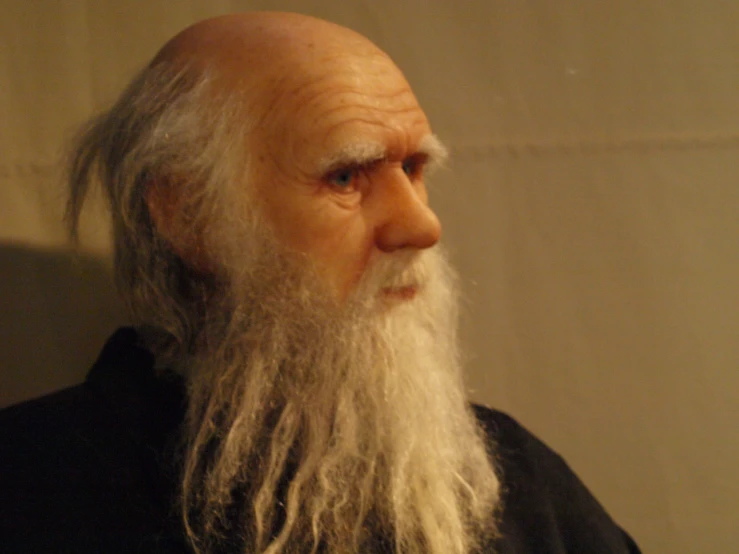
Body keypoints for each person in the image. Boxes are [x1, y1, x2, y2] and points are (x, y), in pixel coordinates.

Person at [0, 12, 641, 554]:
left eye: (414, 167)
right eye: (345, 177)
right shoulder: (31, 486)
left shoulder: (517, 481)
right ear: (189, 217)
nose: (422, 224)